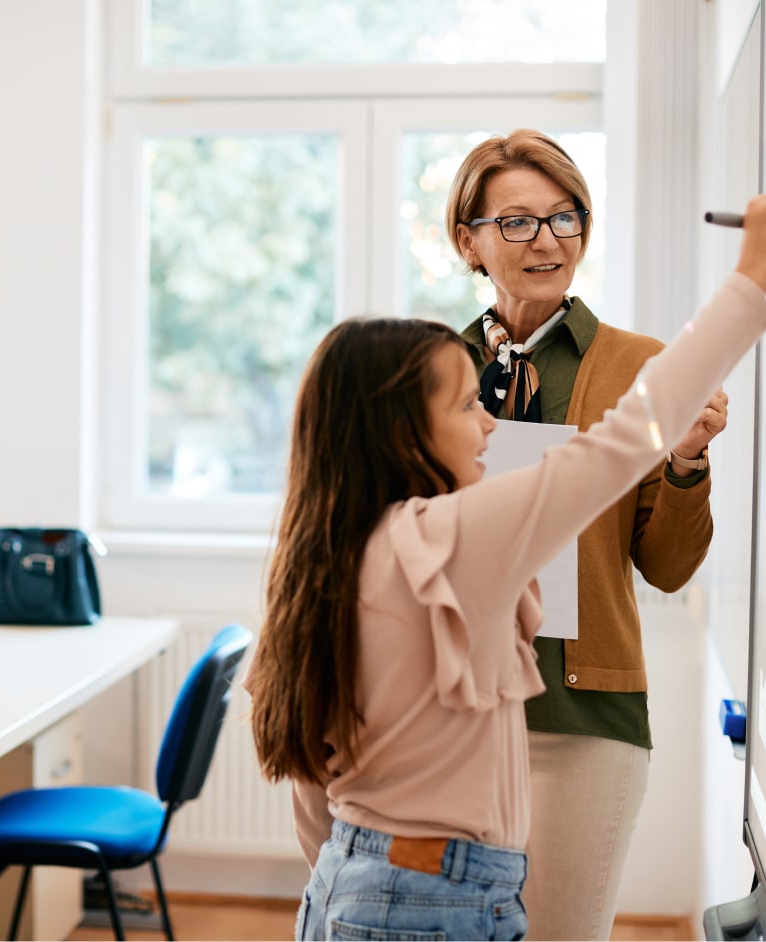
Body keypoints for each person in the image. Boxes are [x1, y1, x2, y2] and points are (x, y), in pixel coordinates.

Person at [243, 193, 766, 942]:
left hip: (349, 885)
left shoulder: (327, 551)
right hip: (430, 900)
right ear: (400, 432)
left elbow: (311, 794)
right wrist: (750, 278)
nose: (489, 420)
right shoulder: (449, 537)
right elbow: (620, 443)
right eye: (464, 407)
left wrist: (361, 885)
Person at [445, 128, 730, 940]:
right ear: (468, 240)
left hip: (583, 715)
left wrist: (684, 462)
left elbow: (668, 568)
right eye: (517, 222)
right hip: (451, 710)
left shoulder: (645, 367)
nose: (546, 240)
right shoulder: (432, 369)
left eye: (565, 217)